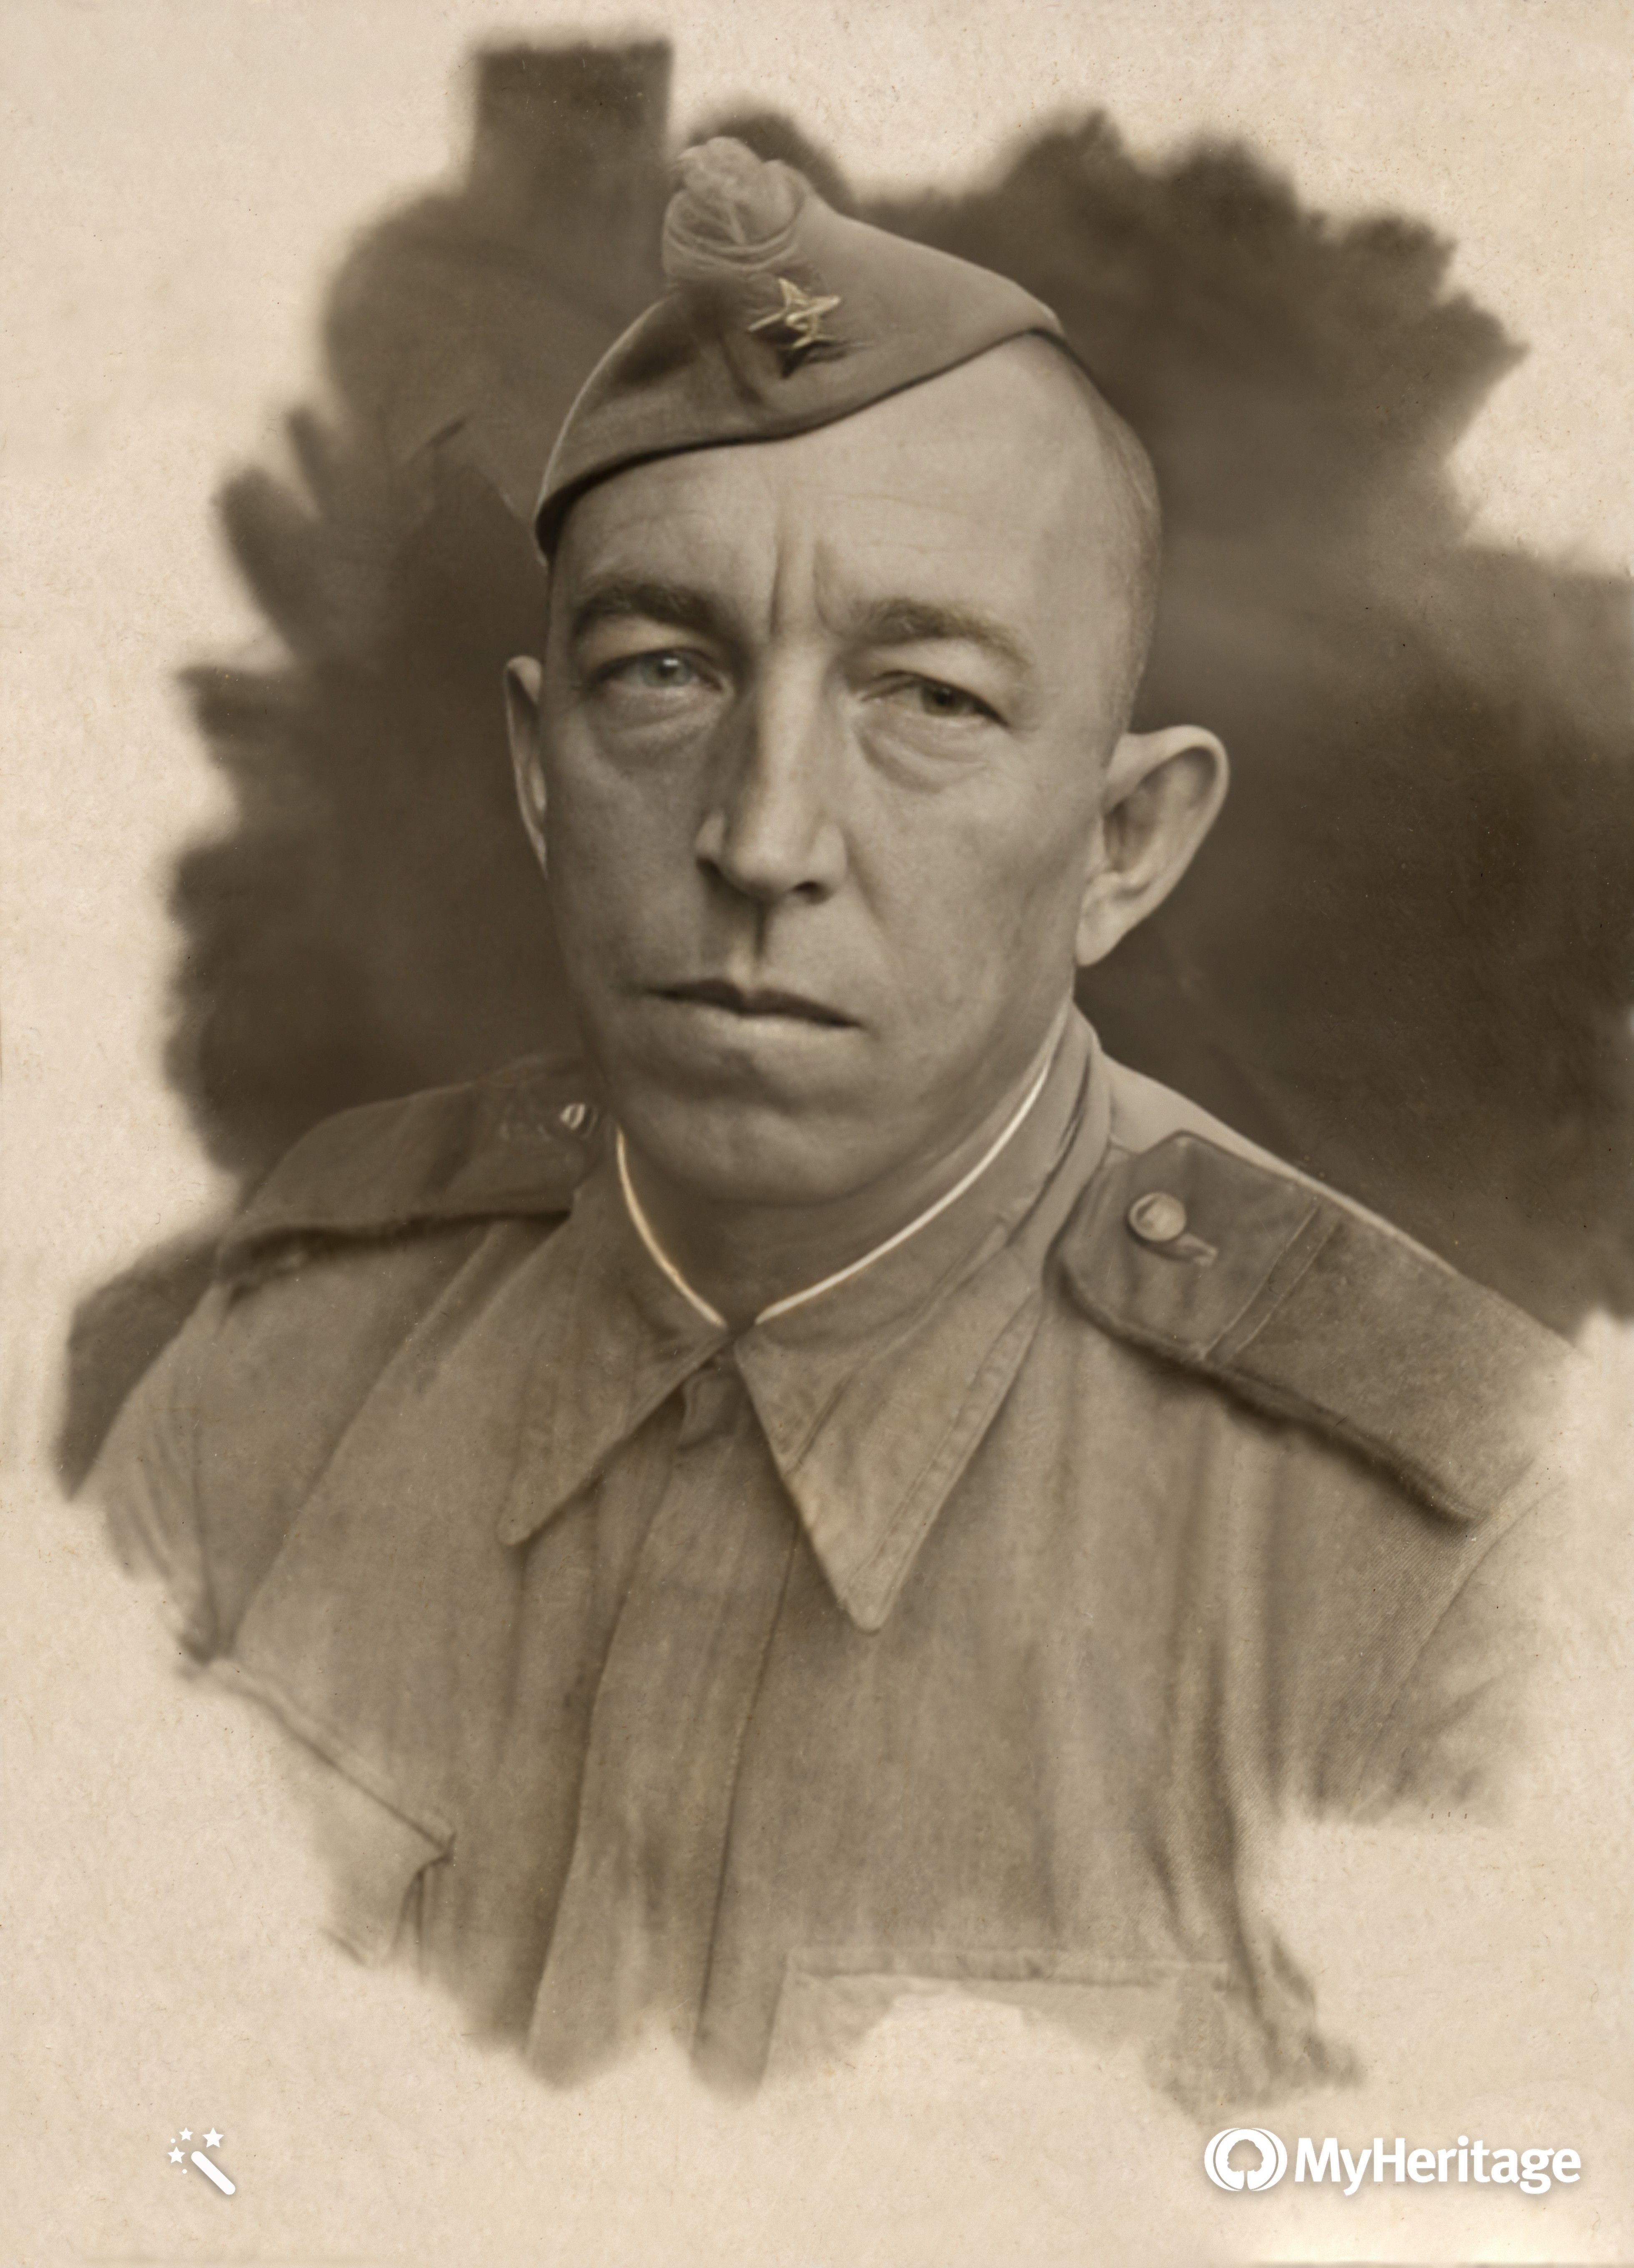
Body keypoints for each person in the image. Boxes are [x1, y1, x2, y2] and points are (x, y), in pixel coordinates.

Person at [88, 138, 1570, 2107]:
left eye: (927, 698)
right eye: (663, 672)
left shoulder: (1457, 1579)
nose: (761, 835)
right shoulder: (276, 1371)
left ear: (1123, 842)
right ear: (537, 773)